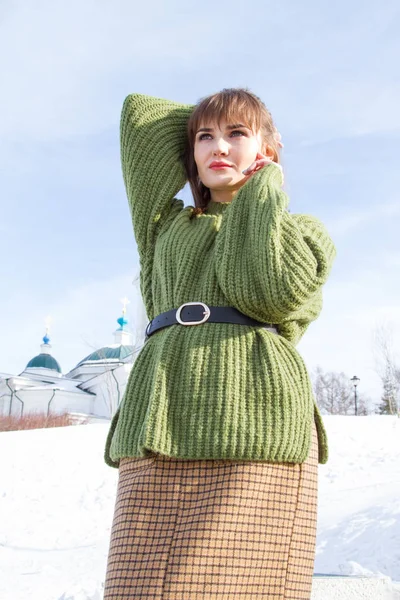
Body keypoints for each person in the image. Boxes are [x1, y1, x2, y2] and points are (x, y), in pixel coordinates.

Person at [103, 88, 336, 599]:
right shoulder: (164, 227)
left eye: (236, 134)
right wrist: (217, 126)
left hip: (258, 424)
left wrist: (262, 183)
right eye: (205, 138)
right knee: (139, 586)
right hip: (162, 419)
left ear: (268, 151)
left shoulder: (303, 233)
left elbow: (265, 292)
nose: (219, 147)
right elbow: (139, 120)